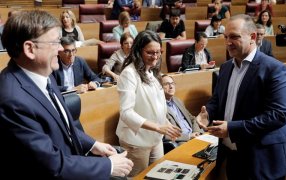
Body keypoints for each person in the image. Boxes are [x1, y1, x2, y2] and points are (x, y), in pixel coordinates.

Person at [0, 10, 133, 179]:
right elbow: (52, 165)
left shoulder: (43, 74)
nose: (62, 48)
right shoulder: (12, 100)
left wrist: (92, 144)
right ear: (30, 48)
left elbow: (62, 125)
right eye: (55, 42)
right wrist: (109, 165)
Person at [197, 14, 286, 179]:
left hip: (263, 158)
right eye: (226, 37)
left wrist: (231, 128)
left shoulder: (274, 69)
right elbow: (217, 100)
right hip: (233, 155)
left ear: (252, 37)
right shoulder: (225, 68)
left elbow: (278, 115)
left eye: (234, 37)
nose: (228, 42)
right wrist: (208, 112)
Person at [116, 30, 182, 177]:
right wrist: (159, 127)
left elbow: (156, 106)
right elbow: (126, 113)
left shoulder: (151, 71)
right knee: (138, 177)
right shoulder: (129, 74)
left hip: (155, 138)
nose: (156, 57)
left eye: (158, 52)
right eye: (150, 53)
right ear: (139, 51)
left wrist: (166, 124)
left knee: (158, 175)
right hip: (136, 141)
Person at [162, 74, 203, 144]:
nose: (171, 87)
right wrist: (189, 136)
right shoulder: (159, 106)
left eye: (172, 83)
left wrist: (196, 132)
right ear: (159, 87)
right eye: (167, 84)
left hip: (194, 134)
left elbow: (192, 118)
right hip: (182, 140)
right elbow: (165, 134)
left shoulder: (177, 101)